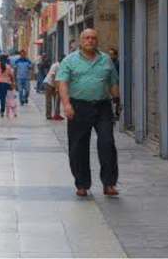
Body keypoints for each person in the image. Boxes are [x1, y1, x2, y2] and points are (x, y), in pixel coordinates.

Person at [56, 28, 121, 198]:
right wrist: (67, 105)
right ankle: (82, 184)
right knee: (78, 146)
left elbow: (113, 82)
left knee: (107, 143)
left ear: (97, 41)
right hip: (79, 107)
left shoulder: (106, 60)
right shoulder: (70, 60)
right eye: (87, 38)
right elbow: (62, 83)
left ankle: (109, 183)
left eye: (93, 38)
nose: (90, 41)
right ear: (80, 41)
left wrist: (117, 102)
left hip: (102, 106)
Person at [44, 55, 64, 121]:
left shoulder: (64, 66)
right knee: (49, 100)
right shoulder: (54, 66)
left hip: (57, 84)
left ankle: (57, 114)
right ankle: (48, 115)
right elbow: (52, 76)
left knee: (58, 100)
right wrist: (56, 87)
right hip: (49, 84)